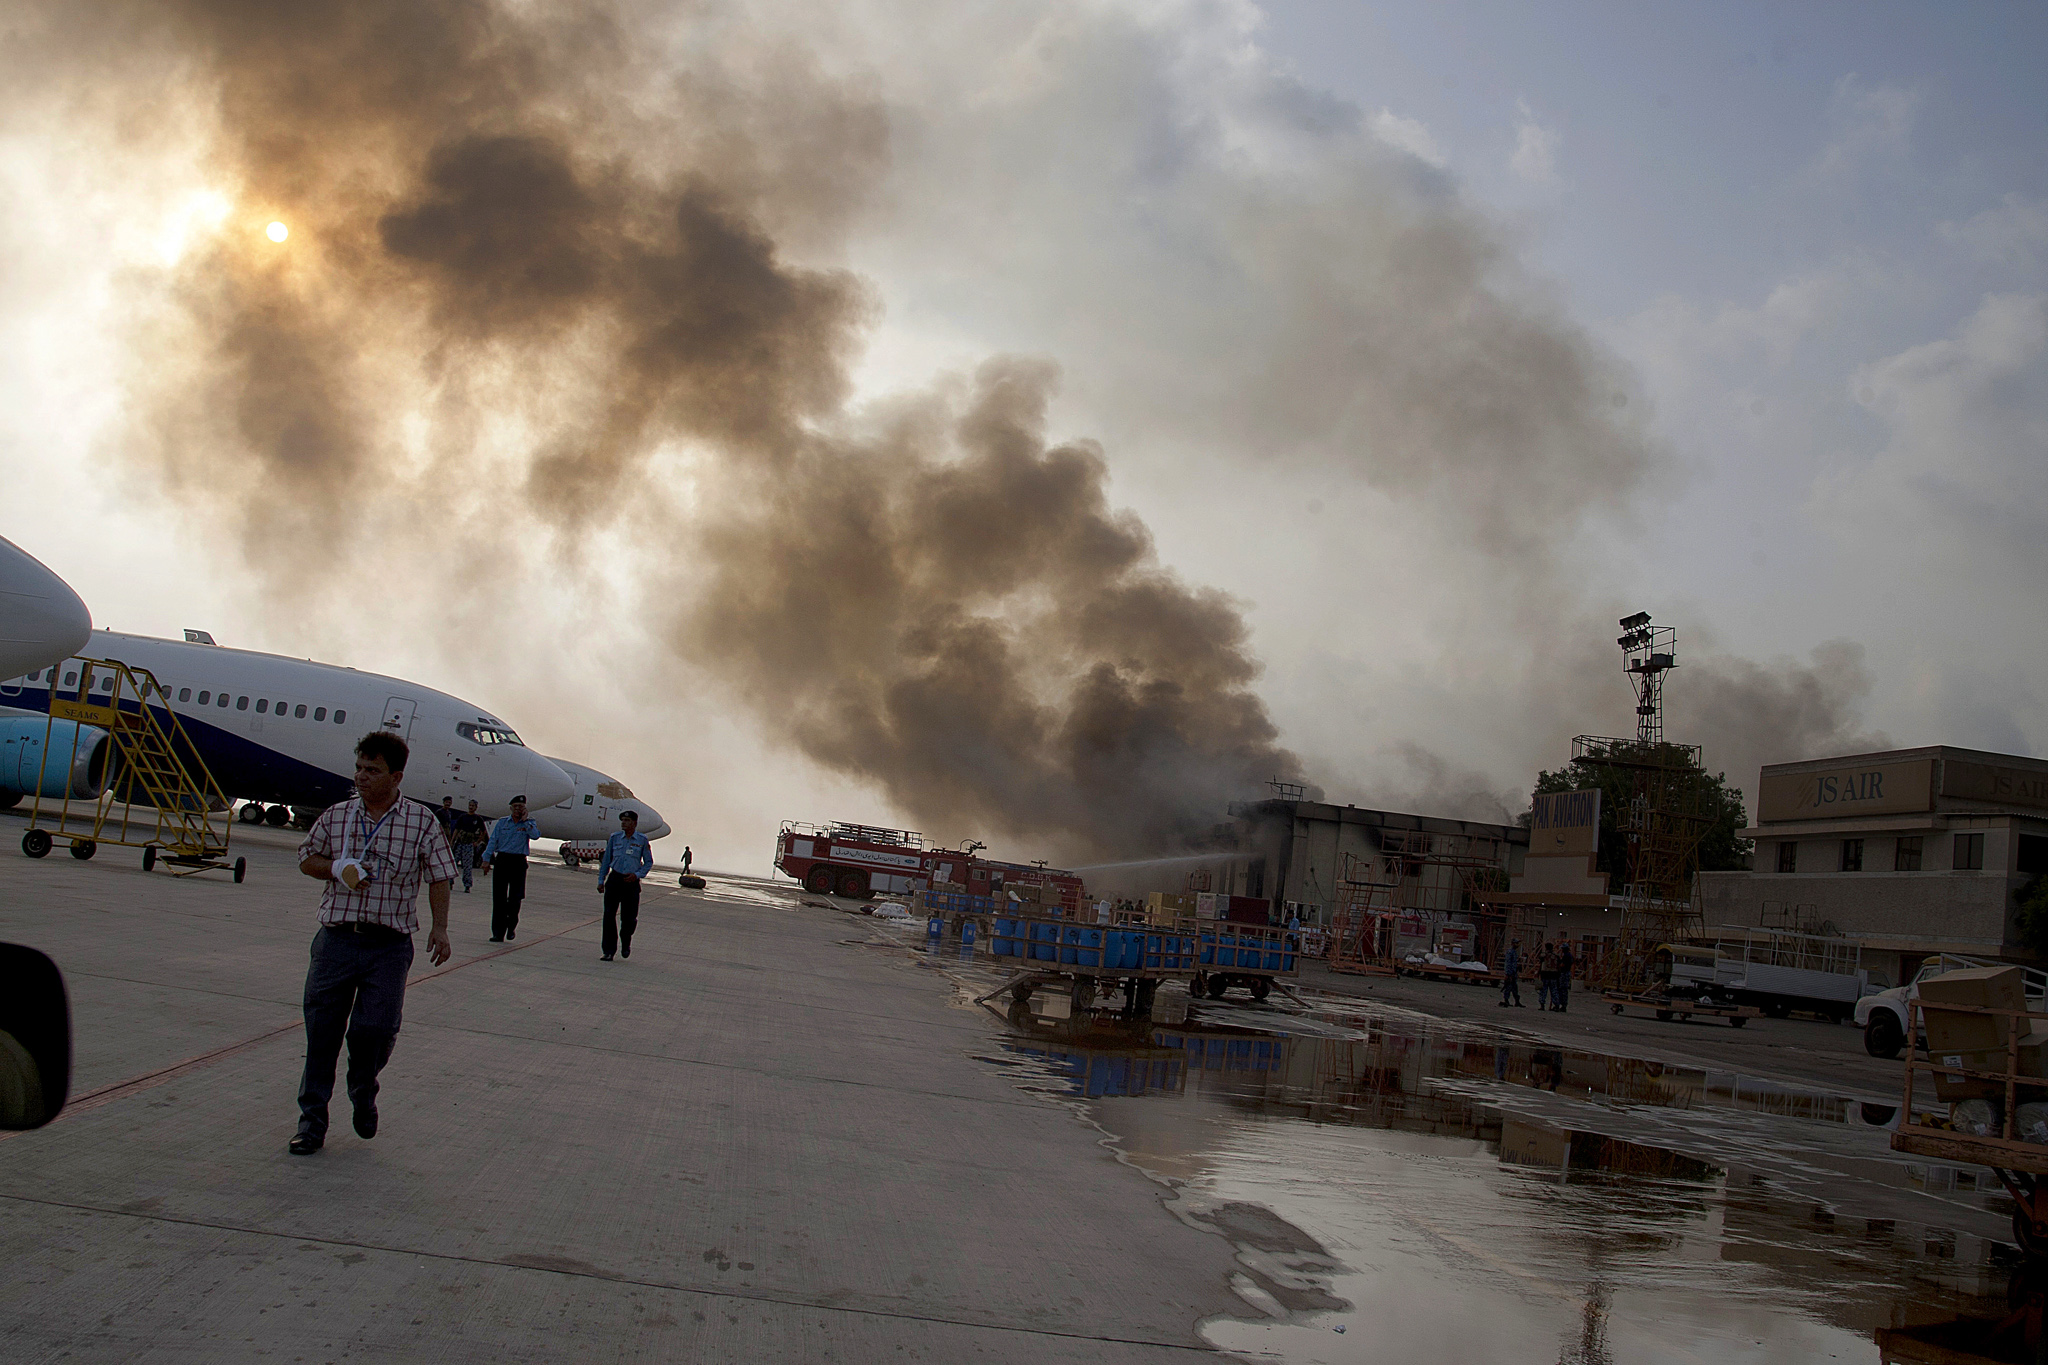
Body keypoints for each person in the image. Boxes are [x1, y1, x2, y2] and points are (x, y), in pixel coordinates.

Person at [288, 731, 456, 1157]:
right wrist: (336, 867)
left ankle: (363, 1087)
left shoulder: (421, 822)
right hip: (336, 941)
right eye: (359, 768)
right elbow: (307, 857)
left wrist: (440, 927)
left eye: (373, 770)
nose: (361, 777)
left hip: (388, 947)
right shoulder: (338, 816)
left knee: (376, 1030)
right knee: (322, 1034)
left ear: (396, 777)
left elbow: (439, 876)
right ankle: (312, 1123)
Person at [597, 809, 654, 962]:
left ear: (634, 823)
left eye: (627, 821)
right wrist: (601, 880)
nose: (624, 823)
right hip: (615, 879)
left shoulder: (642, 840)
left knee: (629, 919)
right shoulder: (615, 838)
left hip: (631, 882)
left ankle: (626, 940)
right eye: (622, 820)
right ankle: (608, 951)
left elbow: (648, 862)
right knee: (609, 915)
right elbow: (606, 861)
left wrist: (637, 875)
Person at [481, 796, 539, 942]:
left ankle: (511, 926)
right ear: (511, 808)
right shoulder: (502, 823)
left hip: (518, 862)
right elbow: (493, 841)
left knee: (515, 898)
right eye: (515, 806)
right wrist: (486, 859)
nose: (518, 809)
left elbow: (535, 836)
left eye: (521, 806)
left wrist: (525, 821)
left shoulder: (529, 823)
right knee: (499, 898)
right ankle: (498, 933)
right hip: (503, 860)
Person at [450, 799, 488, 893]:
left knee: (467, 866)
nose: (471, 807)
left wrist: (477, 842)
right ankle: (450, 882)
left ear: (476, 807)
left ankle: (467, 885)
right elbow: (457, 829)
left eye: (473, 806)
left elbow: (483, 831)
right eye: (470, 805)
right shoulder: (463, 817)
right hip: (460, 843)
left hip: (469, 844)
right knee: (453, 864)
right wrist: (452, 841)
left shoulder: (478, 819)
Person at [1500, 939, 1523, 1007]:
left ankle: (1517, 1001)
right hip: (1510, 973)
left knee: (1515, 988)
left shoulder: (1514, 952)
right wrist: (1508, 973)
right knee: (1508, 987)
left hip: (1514, 973)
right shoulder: (1510, 952)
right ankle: (1506, 1000)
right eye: (1516, 943)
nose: (1517, 945)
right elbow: (1508, 963)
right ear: (1512, 943)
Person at [1554, 940, 1576, 1013]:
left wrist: (1559, 963)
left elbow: (1562, 965)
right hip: (1566, 973)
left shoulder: (1566, 956)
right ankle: (1562, 1005)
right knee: (1563, 990)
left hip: (1564, 973)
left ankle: (1562, 1005)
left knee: (1562, 989)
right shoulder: (1570, 955)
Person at [1536, 944, 1559, 1011]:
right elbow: (1558, 966)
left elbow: (1541, 964)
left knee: (1543, 991)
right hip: (1553, 975)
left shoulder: (1543, 955)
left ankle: (1542, 1005)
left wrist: (1538, 973)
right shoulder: (1556, 956)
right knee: (1554, 991)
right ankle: (1556, 1005)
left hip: (1545, 974)